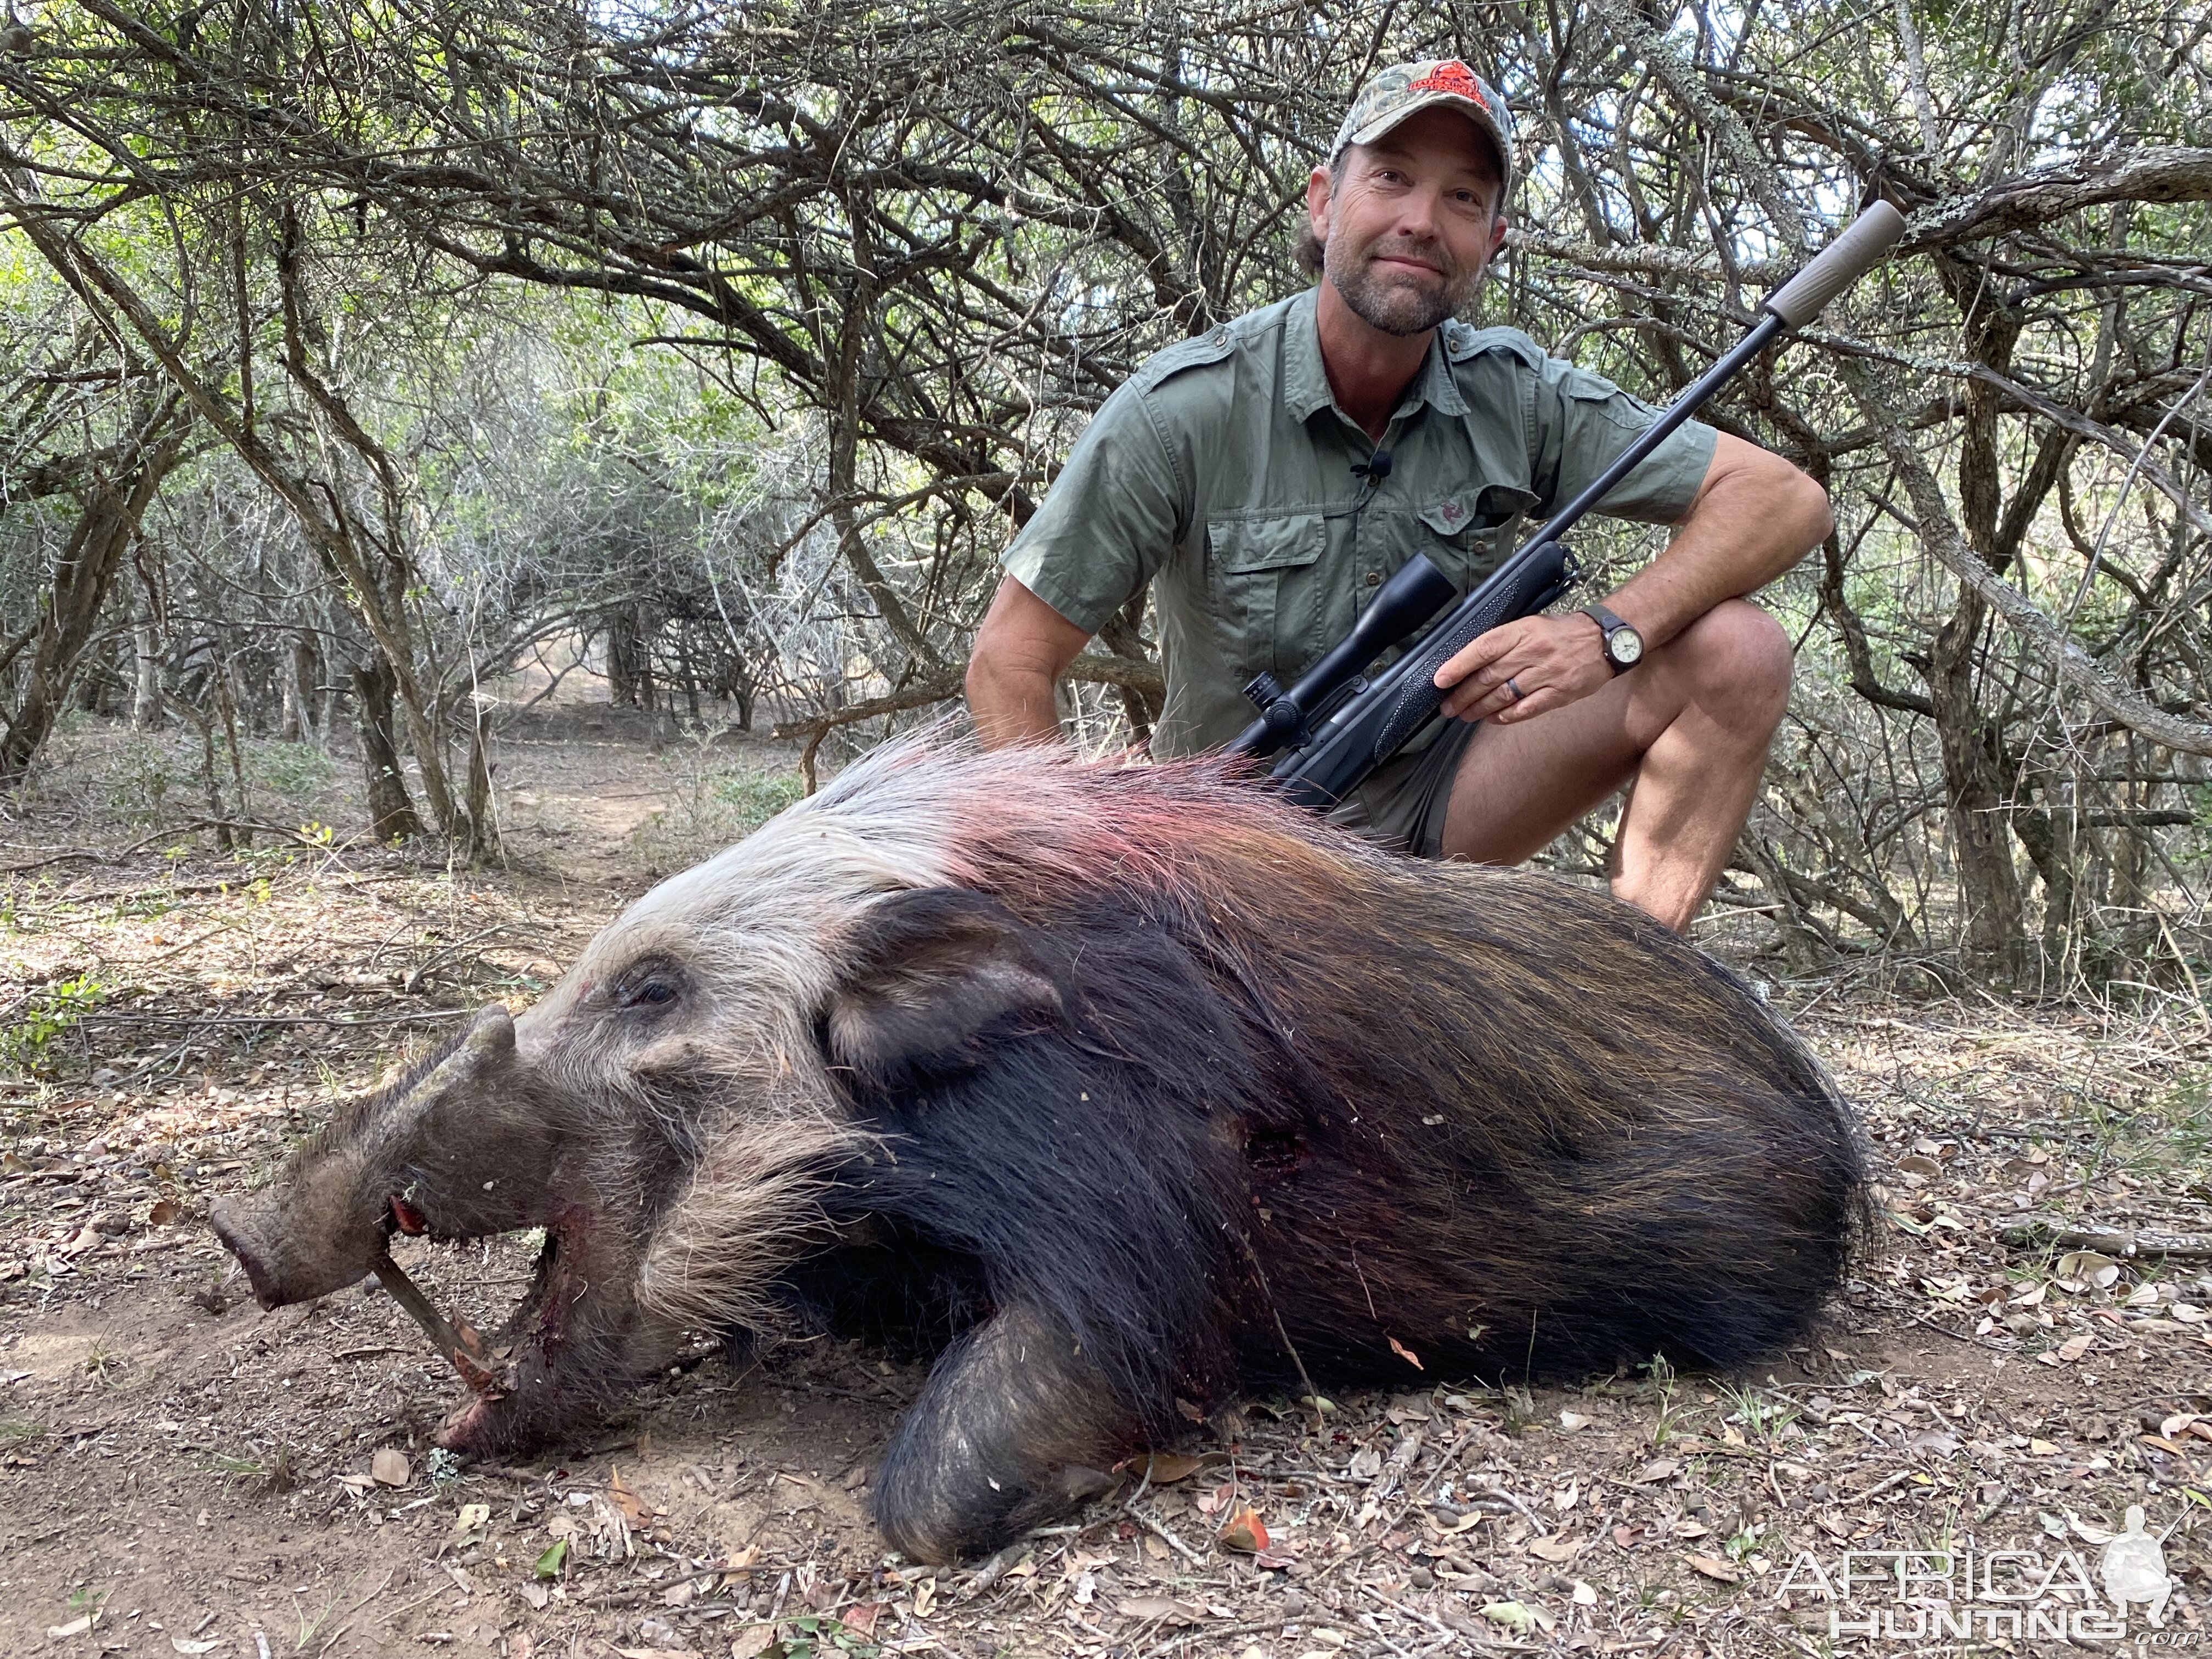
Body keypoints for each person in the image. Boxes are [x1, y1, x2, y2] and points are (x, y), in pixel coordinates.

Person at [964, 58, 1833, 933]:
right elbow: (1009, 662)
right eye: (1392, 178)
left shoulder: (1519, 395)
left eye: (1463, 199)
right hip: (1241, 840)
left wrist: (1604, 634)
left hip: (1444, 798)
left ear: (1491, 243)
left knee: (1739, 651)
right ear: (1323, 202)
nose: (1422, 221)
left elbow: (1781, 500)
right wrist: (1080, 882)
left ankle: (1635, 1003)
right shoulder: (1183, 409)